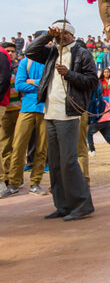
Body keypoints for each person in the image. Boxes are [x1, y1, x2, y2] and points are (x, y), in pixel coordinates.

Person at [24, 20, 96, 220]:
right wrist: (47, 35)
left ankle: (82, 205)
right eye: (57, 33)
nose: (60, 36)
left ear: (72, 35)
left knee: (68, 161)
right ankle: (63, 205)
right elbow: (30, 51)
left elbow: (92, 81)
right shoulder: (51, 52)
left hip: (69, 113)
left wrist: (70, 74)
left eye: (64, 33)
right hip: (50, 113)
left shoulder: (82, 53)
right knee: (55, 163)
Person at [2, 46, 47, 198]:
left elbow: (49, 85)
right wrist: (40, 84)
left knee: (41, 148)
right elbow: (19, 84)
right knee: (18, 146)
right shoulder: (25, 62)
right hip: (27, 108)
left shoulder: (49, 61)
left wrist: (32, 81)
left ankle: (35, 182)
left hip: (45, 109)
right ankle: (14, 183)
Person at [0, 42, 19, 194]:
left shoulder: (20, 67)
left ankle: (15, 179)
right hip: (6, 110)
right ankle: (6, 178)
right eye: (8, 51)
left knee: (18, 146)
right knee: (5, 144)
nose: (10, 53)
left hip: (20, 109)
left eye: (13, 51)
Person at [86, 81, 110, 155]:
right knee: (109, 139)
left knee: (89, 134)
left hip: (99, 121)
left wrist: (91, 122)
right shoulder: (105, 101)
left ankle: (92, 150)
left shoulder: (94, 102)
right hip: (108, 122)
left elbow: (95, 113)